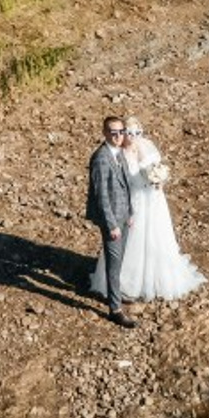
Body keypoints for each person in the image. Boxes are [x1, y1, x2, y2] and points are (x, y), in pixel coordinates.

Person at [90, 116, 206, 303]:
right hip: (132, 201)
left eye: (137, 132)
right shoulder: (116, 153)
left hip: (151, 199)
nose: (132, 136)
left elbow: (156, 168)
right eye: (128, 132)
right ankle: (123, 284)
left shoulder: (145, 146)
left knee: (155, 238)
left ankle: (155, 279)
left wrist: (158, 179)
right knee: (130, 242)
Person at [85, 115, 137, 328]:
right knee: (114, 262)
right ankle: (114, 309)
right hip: (112, 220)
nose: (118, 136)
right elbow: (101, 196)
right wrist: (111, 224)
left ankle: (114, 294)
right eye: (113, 133)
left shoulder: (119, 153)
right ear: (105, 133)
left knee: (120, 259)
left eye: (121, 132)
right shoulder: (101, 158)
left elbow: (125, 185)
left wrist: (131, 212)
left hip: (124, 214)